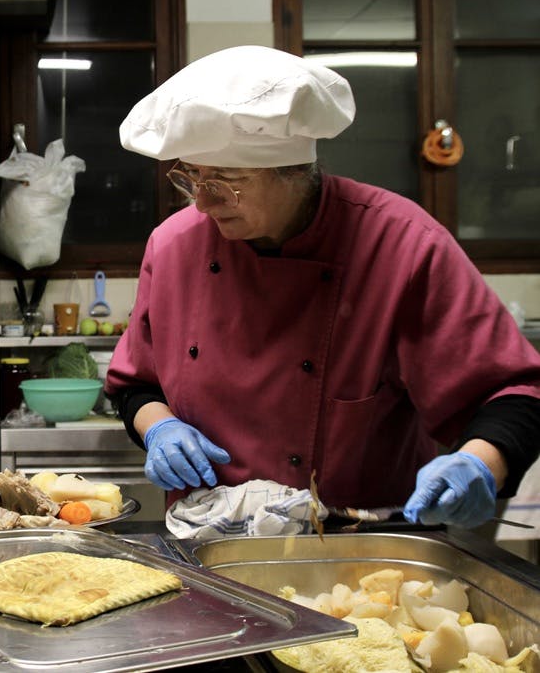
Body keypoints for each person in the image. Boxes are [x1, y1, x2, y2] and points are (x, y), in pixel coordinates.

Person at [107, 45, 540, 529]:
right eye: (191, 179)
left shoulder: (401, 245)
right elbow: (136, 385)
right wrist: (159, 427)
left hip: (360, 541)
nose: (202, 204)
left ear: (294, 174)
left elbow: (514, 393)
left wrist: (480, 464)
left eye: (226, 182)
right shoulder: (173, 246)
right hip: (210, 535)